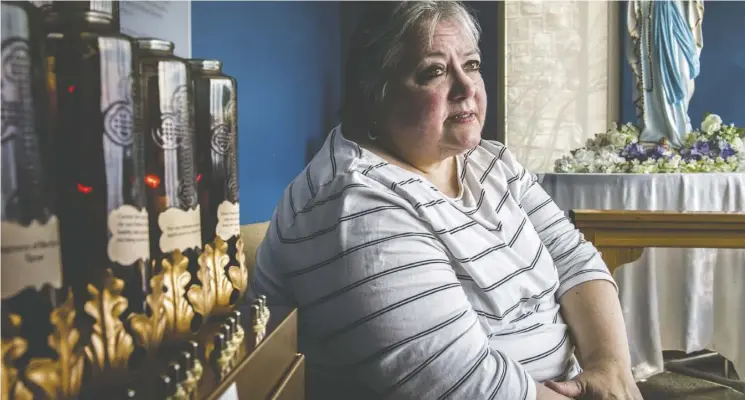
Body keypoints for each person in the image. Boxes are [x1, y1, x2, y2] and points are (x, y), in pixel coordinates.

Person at [250, 2, 643, 399]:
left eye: (471, 65)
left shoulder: (488, 161)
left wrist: (610, 368)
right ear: (374, 94)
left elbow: (574, 258)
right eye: (434, 71)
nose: (467, 87)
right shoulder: (356, 204)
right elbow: (466, 385)